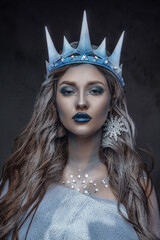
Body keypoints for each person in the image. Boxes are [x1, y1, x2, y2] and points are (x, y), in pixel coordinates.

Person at [0, 10, 160, 240]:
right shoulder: (20, 179)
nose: (82, 102)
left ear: (111, 103)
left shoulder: (136, 185)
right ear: (54, 101)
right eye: (68, 91)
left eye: (95, 90)